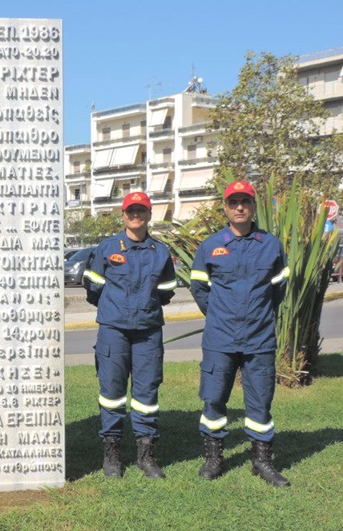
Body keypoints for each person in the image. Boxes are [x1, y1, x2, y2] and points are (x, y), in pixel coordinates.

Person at [189, 180, 290, 487]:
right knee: (214, 399)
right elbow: (198, 288)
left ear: (253, 206)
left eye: (245, 201)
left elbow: (278, 289)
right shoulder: (210, 245)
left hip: (259, 338)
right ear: (226, 207)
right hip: (220, 338)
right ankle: (214, 458)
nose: (240, 207)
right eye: (234, 202)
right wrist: (220, 314)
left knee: (260, 401)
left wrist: (257, 316)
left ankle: (261, 462)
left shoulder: (270, 244)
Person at [83, 192, 177, 478]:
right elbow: (93, 287)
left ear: (149, 215)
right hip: (114, 330)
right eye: (130, 211)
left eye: (141, 211)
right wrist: (116, 310)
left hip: (148, 331)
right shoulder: (107, 248)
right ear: (123, 215)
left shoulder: (160, 252)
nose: (136, 215)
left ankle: (146, 456)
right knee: (112, 393)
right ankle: (112, 455)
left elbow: (166, 290)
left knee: (146, 393)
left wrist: (143, 309)